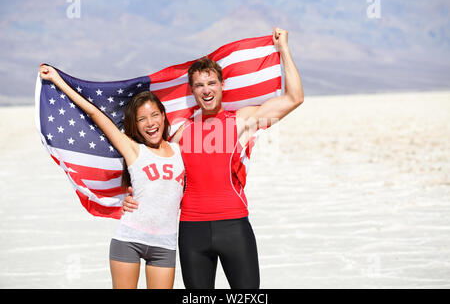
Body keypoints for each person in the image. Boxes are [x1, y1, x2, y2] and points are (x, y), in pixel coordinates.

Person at [122, 27, 304, 288]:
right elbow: (149, 168)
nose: (206, 90)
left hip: (234, 228)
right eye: (199, 85)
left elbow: (294, 98)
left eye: (211, 83)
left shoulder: (242, 121)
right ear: (192, 90)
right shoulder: (182, 133)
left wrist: (283, 48)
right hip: (191, 232)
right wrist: (129, 197)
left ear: (222, 85)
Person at [39, 65, 185, 289]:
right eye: (142, 119)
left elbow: (205, 112)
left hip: (165, 244)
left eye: (155, 115)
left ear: (164, 116)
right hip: (129, 240)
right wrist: (57, 80)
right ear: (135, 125)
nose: (150, 123)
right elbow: (96, 114)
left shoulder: (179, 149)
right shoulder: (133, 150)